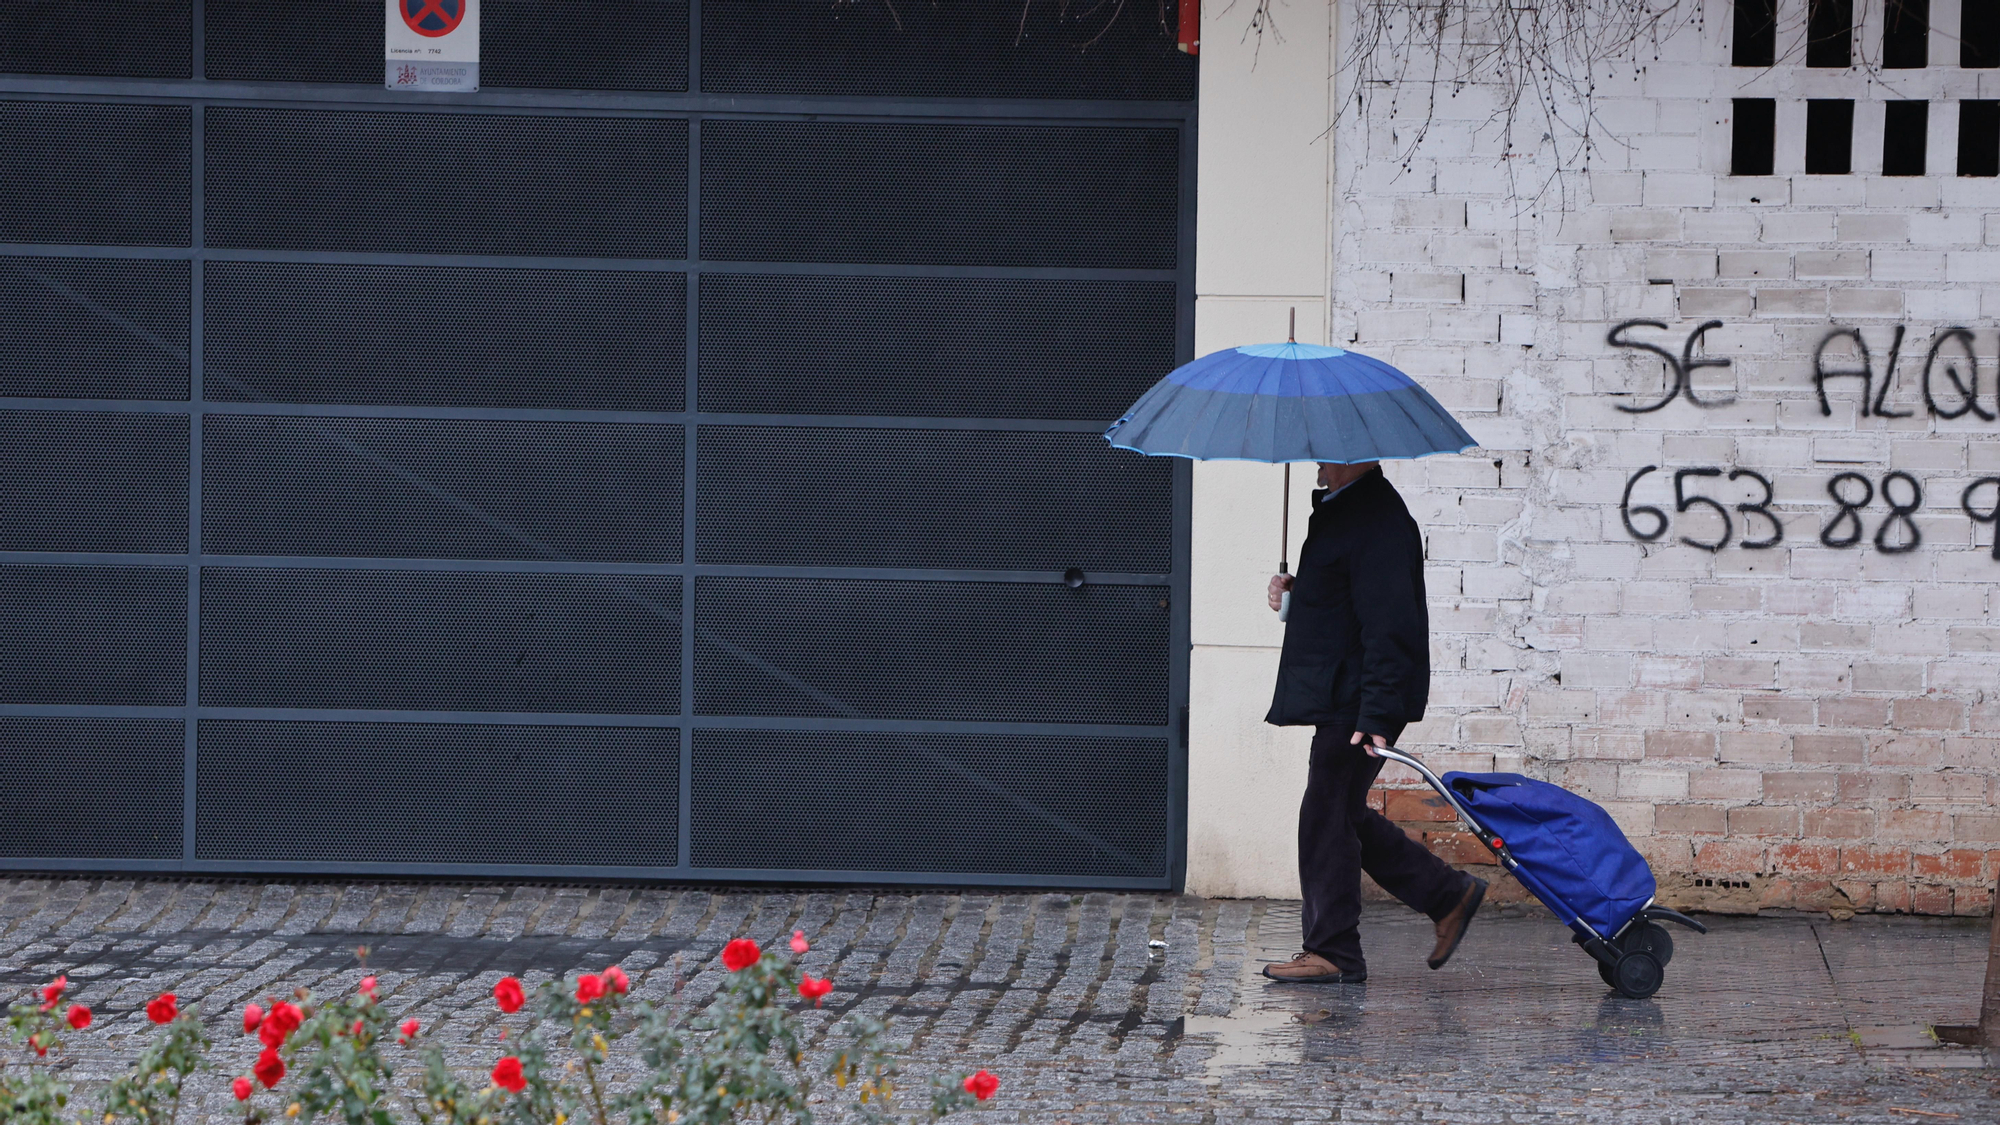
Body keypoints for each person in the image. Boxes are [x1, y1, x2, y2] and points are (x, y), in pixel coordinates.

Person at [1260, 460, 1485, 984]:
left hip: (1360, 700)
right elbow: (1349, 595)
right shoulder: (1347, 511)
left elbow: (1392, 622)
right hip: (1346, 690)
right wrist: (1295, 589)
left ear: (1352, 454)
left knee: (1325, 815)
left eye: (1325, 450)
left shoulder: (1376, 517)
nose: (1316, 460)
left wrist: (1379, 712)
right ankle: (1449, 895)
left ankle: (1333, 950)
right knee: (1339, 814)